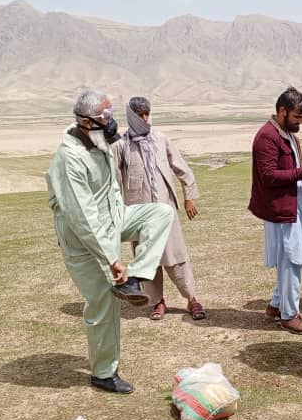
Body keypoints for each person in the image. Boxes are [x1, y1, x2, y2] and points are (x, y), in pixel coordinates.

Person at [46, 90, 173, 394]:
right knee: (104, 303)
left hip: (113, 222)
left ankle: (137, 278)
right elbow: (84, 219)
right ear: (87, 122)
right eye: (105, 116)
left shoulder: (97, 142)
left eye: (111, 113)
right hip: (84, 241)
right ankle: (103, 372)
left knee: (161, 214)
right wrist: (112, 260)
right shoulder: (69, 159)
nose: (112, 121)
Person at [111, 97, 207, 321]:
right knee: (147, 260)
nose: (145, 119)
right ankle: (158, 302)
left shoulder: (161, 139)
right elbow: (114, 184)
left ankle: (192, 299)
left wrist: (189, 197)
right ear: (131, 116)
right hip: (139, 215)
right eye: (140, 116)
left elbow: (181, 168)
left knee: (177, 257)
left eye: (147, 114)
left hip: (167, 210)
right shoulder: (120, 146)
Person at [248, 87, 302, 335]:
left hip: (295, 205)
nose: (300, 122)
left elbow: (290, 168)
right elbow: (270, 175)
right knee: (292, 261)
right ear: (282, 111)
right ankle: (289, 315)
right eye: (297, 117)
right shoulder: (267, 137)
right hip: (280, 209)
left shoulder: (288, 135)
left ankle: (276, 304)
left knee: (299, 259)